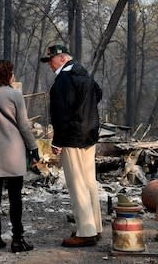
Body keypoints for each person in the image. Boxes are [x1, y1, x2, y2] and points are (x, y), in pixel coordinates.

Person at [40, 44, 103, 247]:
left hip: (72, 136)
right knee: (89, 181)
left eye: (51, 60)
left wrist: (57, 141)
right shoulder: (84, 74)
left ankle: (85, 231)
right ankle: (95, 226)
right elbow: (98, 94)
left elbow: (61, 114)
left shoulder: (63, 81)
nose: (49, 64)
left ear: (61, 58)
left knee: (77, 184)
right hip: (89, 134)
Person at [0, 60, 40, 253]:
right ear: (7, 75)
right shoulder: (15, 95)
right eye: (12, 73)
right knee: (15, 198)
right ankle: (17, 239)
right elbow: (23, 125)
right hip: (13, 153)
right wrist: (33, 148)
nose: (14, 76)